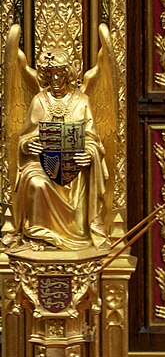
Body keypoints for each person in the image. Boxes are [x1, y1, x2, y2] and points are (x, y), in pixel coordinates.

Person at [10, 49, 110, 250]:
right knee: (36, 181)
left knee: (78, 179)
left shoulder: (82, 101)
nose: (55, 78)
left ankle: (78, 232)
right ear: (45, 75)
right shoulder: (39, 100)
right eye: (50, 73)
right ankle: (38, 235)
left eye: (60, 73)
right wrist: (28, 144)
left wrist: (89, 154)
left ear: (67, 74)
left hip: (74, 168)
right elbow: (25, 136)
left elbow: (92, 138)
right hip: (41, 164)